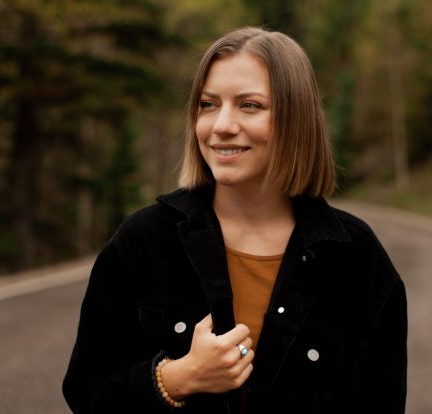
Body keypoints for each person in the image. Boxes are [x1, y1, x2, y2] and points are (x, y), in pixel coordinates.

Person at [63, 26, 407, 413]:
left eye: (249, 105)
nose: (222, 125)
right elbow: (86, 390)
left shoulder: (356, 257)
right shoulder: (144, 240)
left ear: (296, 119)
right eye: (208, 104)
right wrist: (178, 378)